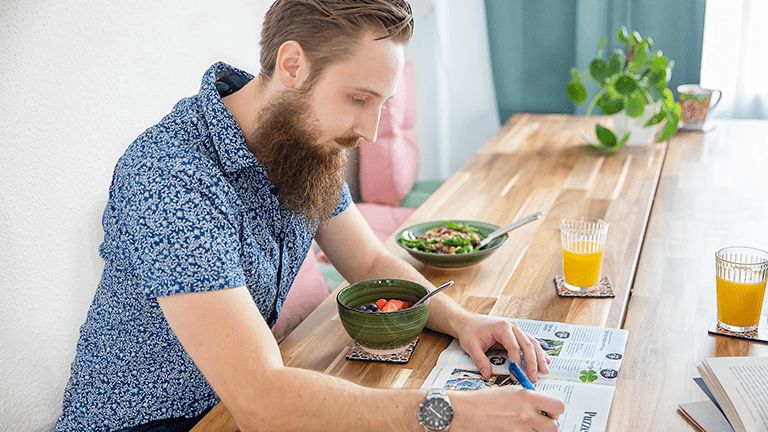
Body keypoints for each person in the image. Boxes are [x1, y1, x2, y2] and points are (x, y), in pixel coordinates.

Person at [57, 1, 565, 431]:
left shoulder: (301, 145)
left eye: (381, 104)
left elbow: (365, 261)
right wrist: (454, 413)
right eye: (359, 99)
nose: (368, 130)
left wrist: (463, 321)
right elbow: (260, 398)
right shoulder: (170, 176)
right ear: (293, 65)